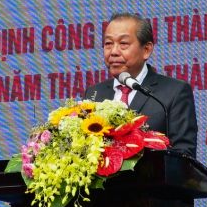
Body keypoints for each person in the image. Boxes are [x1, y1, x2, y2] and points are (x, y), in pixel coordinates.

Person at [80, 12, 199, 157]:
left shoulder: (173, 92)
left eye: (123, 44)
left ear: (146, 50)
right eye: (108, 44)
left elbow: (184, 154)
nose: (114, 52)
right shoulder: (94, 93)